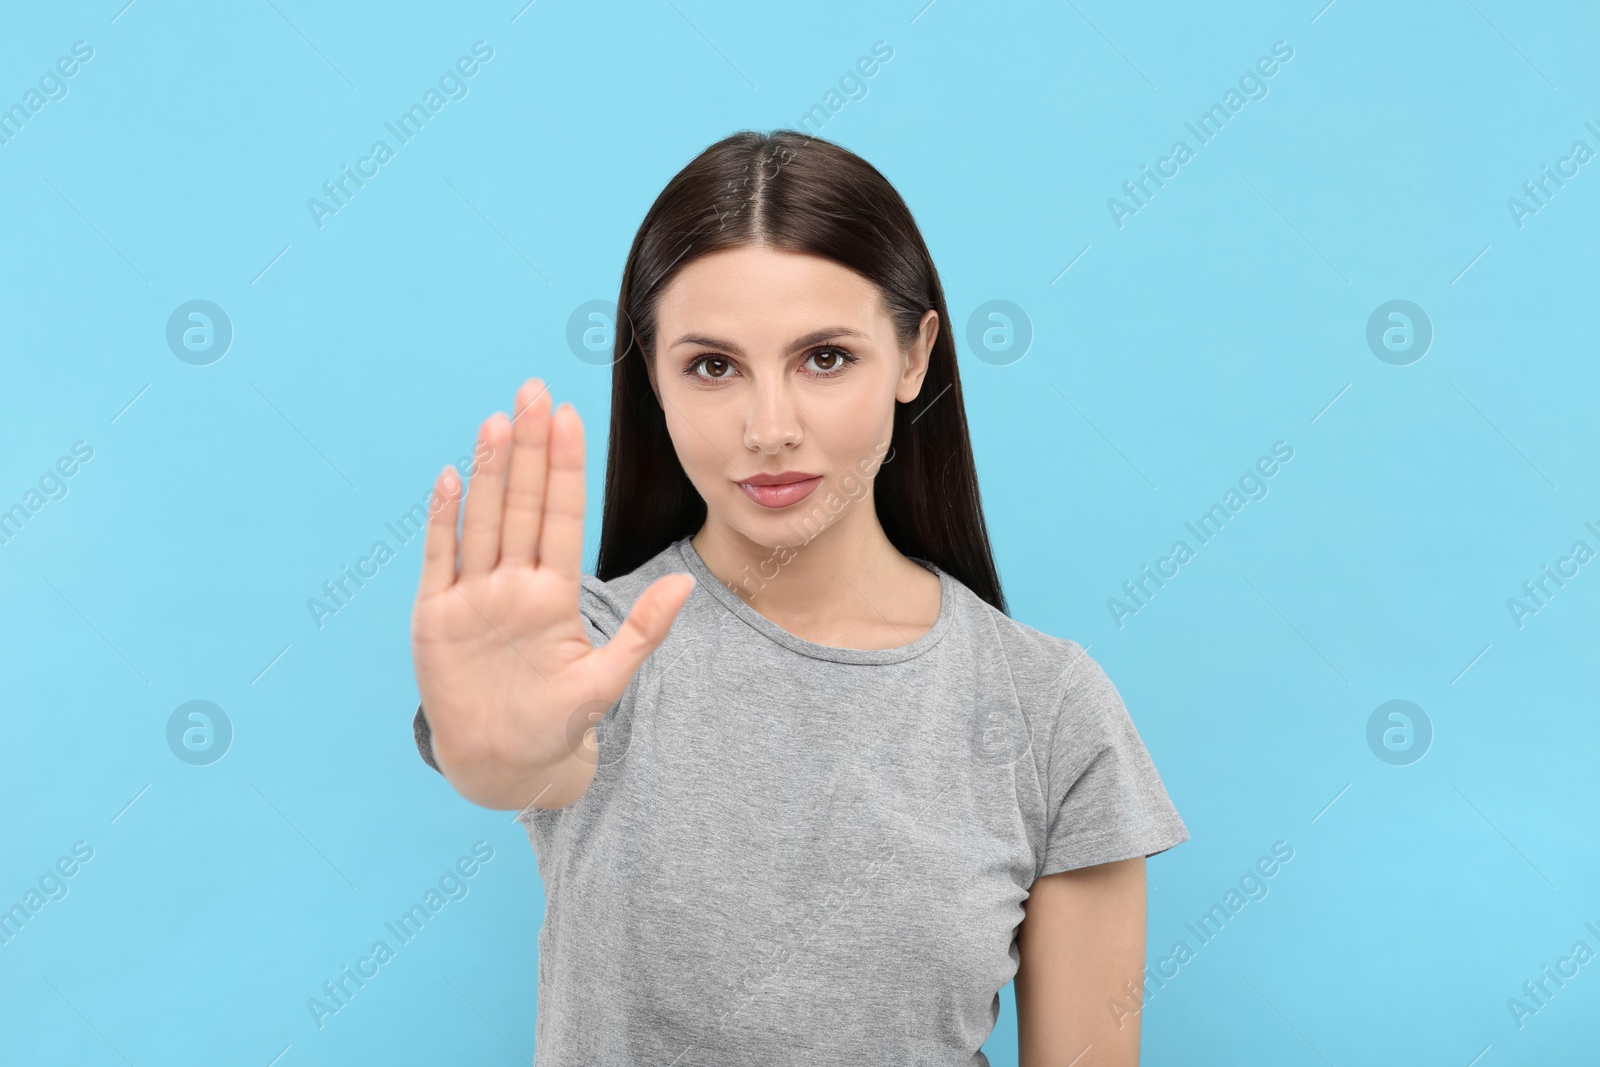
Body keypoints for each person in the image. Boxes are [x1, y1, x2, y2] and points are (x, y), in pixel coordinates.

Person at [408, 129, 1189, 1066]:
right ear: (651, 376)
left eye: (825, 358)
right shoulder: (591, 652)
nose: (769, 428)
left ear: (914, 357)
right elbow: (529, 755)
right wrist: (499, 756)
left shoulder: (1050, 707)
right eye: (712, 365)